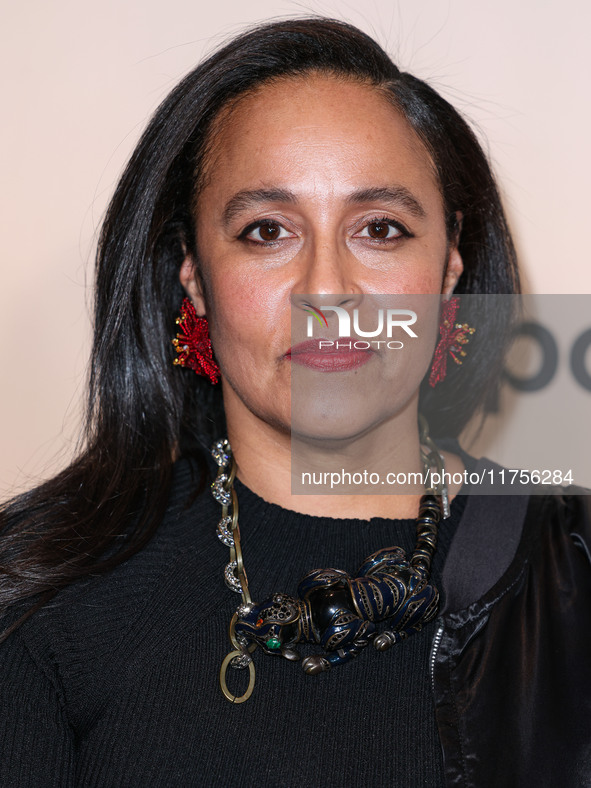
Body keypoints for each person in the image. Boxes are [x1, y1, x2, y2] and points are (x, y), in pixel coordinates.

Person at [0, 17, 589, 788]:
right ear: (194, 278)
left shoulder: (572, 565)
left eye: (379, 228)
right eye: (265, 230)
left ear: (449, 271)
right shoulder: (45, 601)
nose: (327, 289)